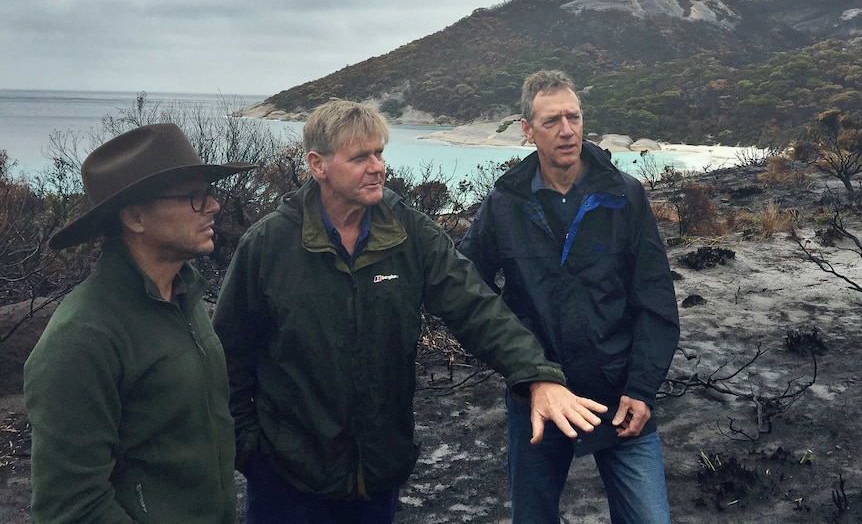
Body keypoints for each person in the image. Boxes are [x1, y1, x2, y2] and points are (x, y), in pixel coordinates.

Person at [212, 99, 609, 524]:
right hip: (285, 481)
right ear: (317, 165)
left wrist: (537, 376)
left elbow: (476, 307)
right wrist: (250, 452)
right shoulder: (268, 245)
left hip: (377, 475)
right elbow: (226, 358)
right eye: (360, 157)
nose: (377, 167)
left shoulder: (409, 233)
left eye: (379, 153)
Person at [458, 70, 681, 524]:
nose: (567, 130)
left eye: (574, 117)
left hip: (617, 393)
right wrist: (522, 368)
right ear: (526, 130)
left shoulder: (624, 194)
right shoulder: (505, 203)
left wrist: (641, 388)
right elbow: (466, 291)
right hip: (538, 395)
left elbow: (656, 300)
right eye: (551, 121)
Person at [24, 123, 256, 523]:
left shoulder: (184, 296)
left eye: (211, 192)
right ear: (134, 217)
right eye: (194, 197)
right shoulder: (82, 337)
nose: (214, 206)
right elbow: (72, 507)